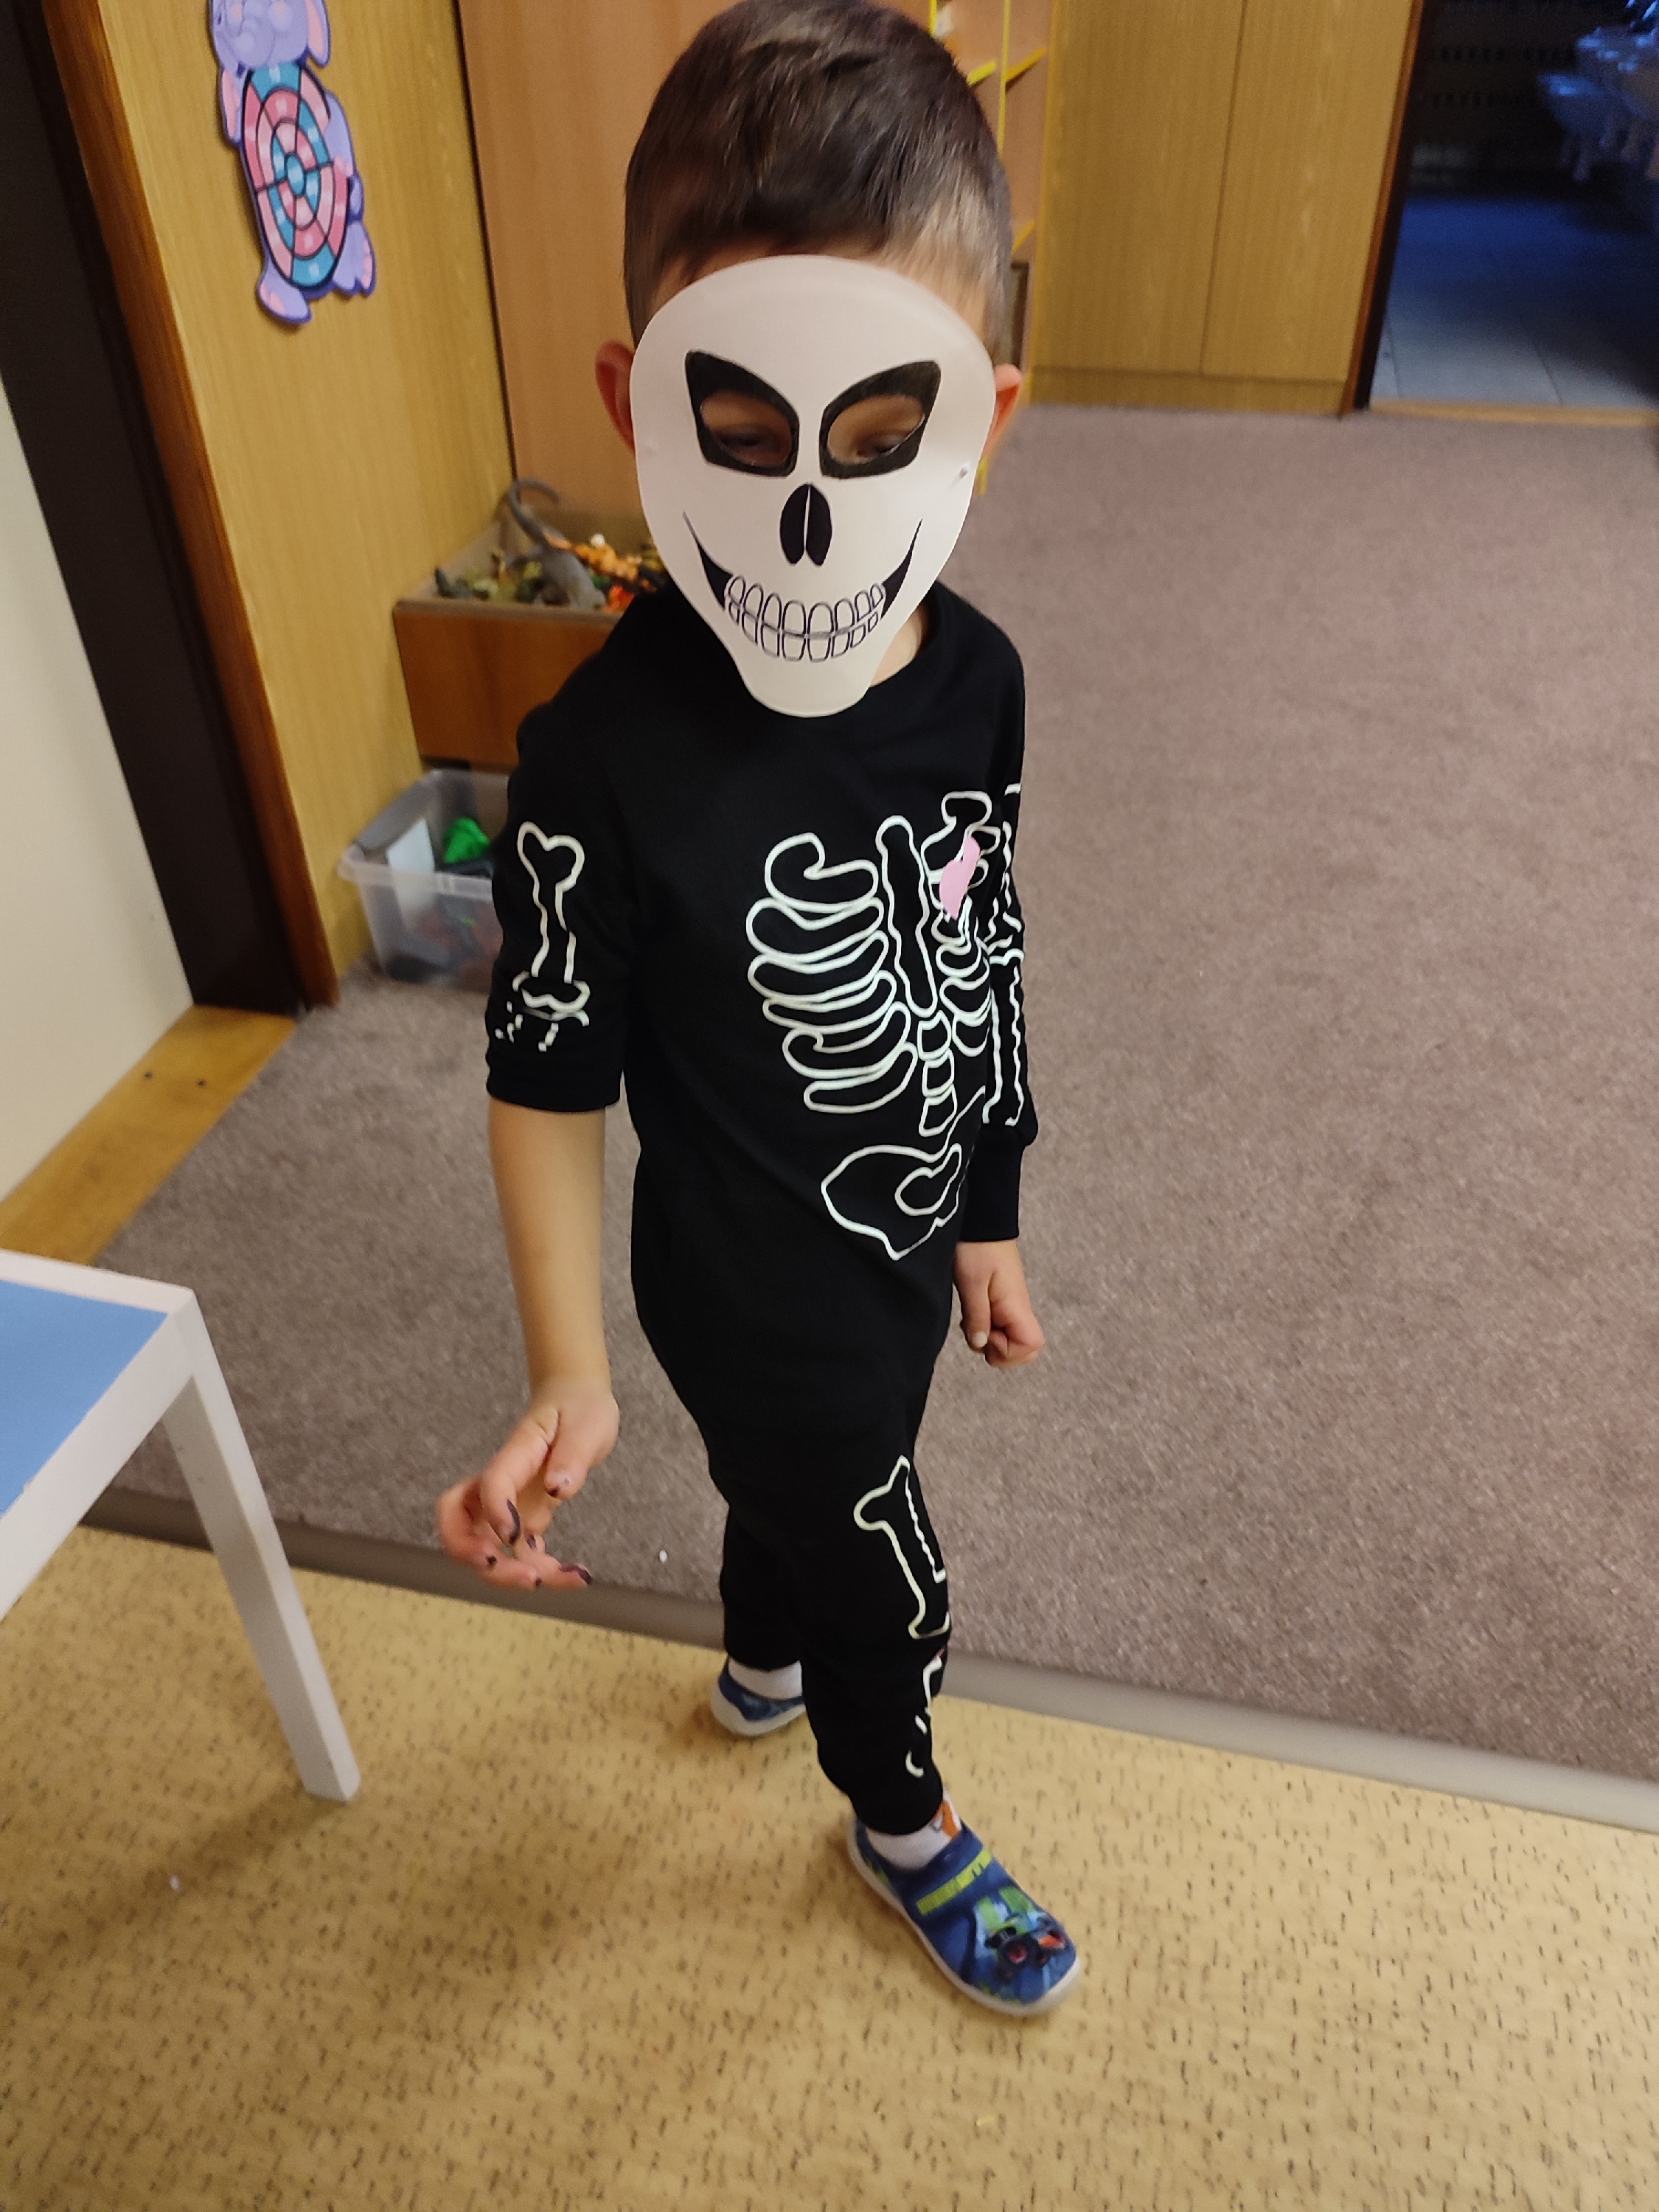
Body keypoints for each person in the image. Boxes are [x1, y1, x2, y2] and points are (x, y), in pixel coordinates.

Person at [437, 0, 1079, 2019]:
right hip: (742, 1277)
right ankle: (901, 1820)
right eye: (742, 424)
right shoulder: (598, 753)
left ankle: (759, 1653)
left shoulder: (976, 681)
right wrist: (567, 1364)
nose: (814, 505)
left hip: (902, 1237)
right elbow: (547, 1066)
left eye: (880, 438)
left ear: (982, 414)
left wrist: (986, 1202)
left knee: (794, 1491)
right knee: (880, 1544)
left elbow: (977, 944)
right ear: (638, 399)